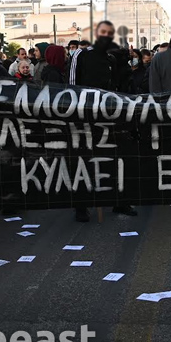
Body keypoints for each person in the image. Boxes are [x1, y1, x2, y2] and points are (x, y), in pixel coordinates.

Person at [69, 21, 136, 221]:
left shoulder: (110, 59)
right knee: (85, 162)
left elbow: (115, 88)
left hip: (108, 119)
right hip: (85, 118)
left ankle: (119, 201)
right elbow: (71, 87)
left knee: (115, 160)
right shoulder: (80, 55)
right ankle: (81, 206)